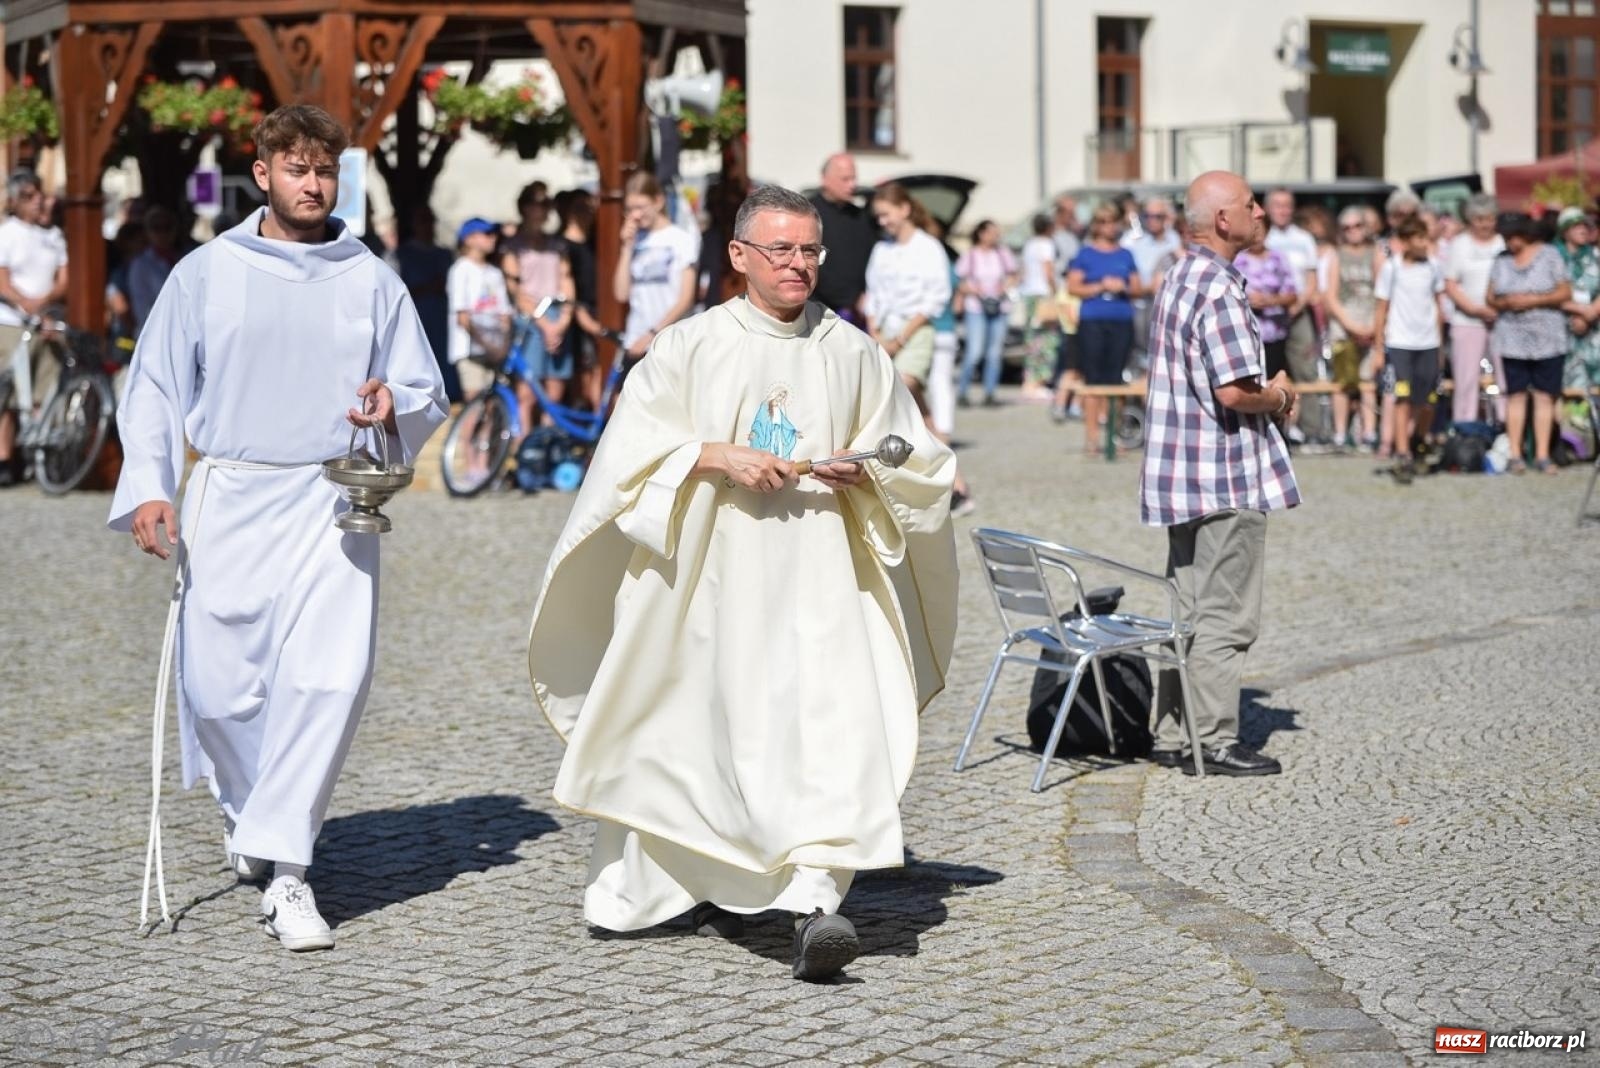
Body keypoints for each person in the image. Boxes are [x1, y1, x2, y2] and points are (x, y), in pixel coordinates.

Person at [525, 184, 957, 981]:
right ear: (739, 257)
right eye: (781, 251)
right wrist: (715, 454)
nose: (798, 267)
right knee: (690, 726)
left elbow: (914, 456)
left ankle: (810, 900)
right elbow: (626, 457)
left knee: (826, 726)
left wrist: (860, 470)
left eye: (809, 252)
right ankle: (659, 889)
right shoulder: (689, 346)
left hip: (822, 571)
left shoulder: (853, 350)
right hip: (708, 575)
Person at [108, 104, 447, 951]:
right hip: (230, 492)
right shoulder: (207, 271)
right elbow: (153, 386)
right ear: (261, 174)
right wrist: (152, 486)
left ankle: (288, 873)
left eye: (325, 170)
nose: (312, 184)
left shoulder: (368, 275)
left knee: (330, 677)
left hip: (335, 499)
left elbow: (419, 385)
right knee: (218, 688)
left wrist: (389, 402)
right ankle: (254, 813)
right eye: (296, 169)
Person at [1139, 170, 1300, 777]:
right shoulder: (1221, 289)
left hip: (1183, 475)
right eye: (1251, 203)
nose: (1261, 211)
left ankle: (1176, 733)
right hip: (1225, 473)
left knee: (1187, 608)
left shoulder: (1179, 276)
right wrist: (1280, 398)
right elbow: (1234, 392)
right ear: (1225, 221)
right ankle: (1214, 740)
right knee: (1226, 616)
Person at [0, 168, 69, 485]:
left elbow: (63, 278)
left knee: (45, 389)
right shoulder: (7, 233)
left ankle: (41, 456)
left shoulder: (51, 235)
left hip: (46, 320)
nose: (36, 200)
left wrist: (46, 301)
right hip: (13, 322)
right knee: (10, 395)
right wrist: (24, 303)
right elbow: (2, 277)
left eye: (38, 193)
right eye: (28, 196)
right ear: (14, 201)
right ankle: (4, 458)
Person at [1487, 212, 1570, 474]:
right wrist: (1506, 303)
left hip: (1547, 335)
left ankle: (1543, 454)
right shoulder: (1501, 260)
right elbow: (1489, 297)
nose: (1511, 242)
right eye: (1507, 237)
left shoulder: (1549, 254)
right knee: (1516, 395)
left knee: (1545, 396)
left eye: (1515, 236)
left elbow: (1564, 291)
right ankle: (1515, 454)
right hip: (1512, 336)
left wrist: (1533, 300)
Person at [864, 182, 952, 415]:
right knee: (901, 396)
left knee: (902, 384)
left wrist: (901, 339)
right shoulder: (881, 249)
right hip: (884, 329)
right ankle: (931, 433)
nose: (882, 221)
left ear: (904, 209)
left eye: (886, 214)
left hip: (916, 330)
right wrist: (876, 333)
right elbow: (872, 293)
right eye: (878, 216)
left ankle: (929, 434)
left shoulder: (929, 247)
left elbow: (936, 298)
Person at [1372, 216, 1445, 484]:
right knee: (1402, 398)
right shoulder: (1393, 268)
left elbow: (1438, 306)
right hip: (1400, 342)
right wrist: (1379, 348)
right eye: (1418, 238)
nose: (1424, 244)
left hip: (1428, 342)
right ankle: (1402, 453)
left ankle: (1419, 439)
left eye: (1426, 238)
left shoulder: (1434, 267)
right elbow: (1381, 309)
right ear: (1404, 242)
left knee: (1429, 401)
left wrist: (1440, 345)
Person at [1066, 202, 1141, 454]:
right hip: (1093, 320)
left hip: (1120, 319)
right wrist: (1099, 286)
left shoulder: (1125, 254)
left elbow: (1137, 287)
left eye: (1114, 222)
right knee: (1093, 379)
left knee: (1116, 380)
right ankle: (1092, 437)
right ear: (1097, 226)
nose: (1110, 227)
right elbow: (1073, 287)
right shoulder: (1085, 254)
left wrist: (1123, 287)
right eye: (1105, 222)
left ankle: (1115, 435)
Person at [505, 182, 576, 416]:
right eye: (538, 203)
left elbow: (566, 279)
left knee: (555, 390)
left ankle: (547, 444)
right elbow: (516, 291)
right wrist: (545, 324)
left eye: (548, 203)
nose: (544, 209)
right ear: (525, 207)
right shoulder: (513, 247)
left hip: (557, 315)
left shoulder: (557, 245)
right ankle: (524, 446)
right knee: (527, 392)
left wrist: (564, 320)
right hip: (531, 319)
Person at [614, 172, 697, 372]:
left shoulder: (681, 239)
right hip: (635, 340)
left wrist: (653, 334)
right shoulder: (636, 241)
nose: (635, 215)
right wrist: (626, 248)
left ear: (658, 201)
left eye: (641, 207)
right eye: (630, 209)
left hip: (670, 341)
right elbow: (621, 294)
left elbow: (686, 298)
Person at [1443, 195, 1506, 425]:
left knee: (1504, 377)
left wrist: (1497, 308)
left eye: (1489, 219)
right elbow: (1450, 283)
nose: (1485, 224)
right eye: (1479, 219)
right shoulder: (1460, 244)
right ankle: (1465, 426)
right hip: (1467, 320)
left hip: (1501, 319)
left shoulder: (1503, 242)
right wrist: (1475, 309)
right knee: (1466, 379)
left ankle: (1505, 424)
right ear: (1471, 220)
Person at [1325, 207, 1384, 449]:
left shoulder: (1376, 253)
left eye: (1357, 226)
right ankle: (1340, 432)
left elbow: (1382, 293)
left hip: (1371, 319)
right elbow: (1330, 296)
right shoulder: (1337, 256)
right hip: (1344, 323)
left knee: (1369, 379)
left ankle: (1369, 431)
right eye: (1347, 227)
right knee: (1343, 379)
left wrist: (1373, 327)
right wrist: (1351, 326)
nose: (1353, 232)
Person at [1263, 188, 1320, 442]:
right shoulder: (1263, 237)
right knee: (1270, 370)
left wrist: (1297, 306)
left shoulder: (1304, 239)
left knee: (1305, 369)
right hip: (1267, 316)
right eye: (1277, 205)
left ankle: (1311, 429)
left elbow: (1311, 279)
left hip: (1298, 311)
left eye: (1287, 205)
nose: (1283, 210)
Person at [394, 204, 456, 402]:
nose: (427, 226)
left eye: (430, 221)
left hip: (442, 324)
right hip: (417, 323)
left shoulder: (445, 255)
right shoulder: (401, 256)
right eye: (423, 221)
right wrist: (429, 287)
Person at [447, 217, 513, 403]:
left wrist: (502, 347)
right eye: (487, 234)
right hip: (470, 351)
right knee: (473, 408)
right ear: (469, 239)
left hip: (496, 351)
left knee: (493, 408)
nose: (493, 238)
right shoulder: (460, 270)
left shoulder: (495, 272)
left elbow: (504, 314)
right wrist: (491, 347)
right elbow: (463, 318)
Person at [954, 219, 1018, 408]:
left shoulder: (1002, 254)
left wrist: (1005, 287)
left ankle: (990, 392)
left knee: (995, 353)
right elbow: (960, 281)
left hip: (1000, 306)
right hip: (976, 307)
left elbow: (1014, 274)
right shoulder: (971, 255)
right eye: (992, 232)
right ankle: (963, 391)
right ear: (981, 234)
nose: (995, 236)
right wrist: (975, 291)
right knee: (975, 351)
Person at [553, 188, 606, 409]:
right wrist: (581, 316)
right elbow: (565, 284)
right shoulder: (562, 245)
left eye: (590, 208)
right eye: (580, 208)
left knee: (597, 371)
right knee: (581, 375)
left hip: (597, 313)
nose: (586, 213)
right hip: (576, 317)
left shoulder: (597, 243)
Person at [808, 153, 877, 322]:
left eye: (854, 179)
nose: (852, 185)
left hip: (860, 311)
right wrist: (851, 299)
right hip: (818, 310)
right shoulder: (809, 214)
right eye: (845, 179)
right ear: (825, 179)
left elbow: (871, 260)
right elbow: (812, 263)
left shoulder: (859, 216)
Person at [1233, 225, 1299, 381]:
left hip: (1275, 333)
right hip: (1245, 333)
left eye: (1260, 232)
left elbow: (1292, 295)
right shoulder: (1236, 260)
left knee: (1274, 378)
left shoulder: (1278, 258)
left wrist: (1270, 300)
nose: (1256, 237)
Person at [1555, 207, 1600, 394]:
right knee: (1570, 385)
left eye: (1585, 226)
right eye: (1577, 226)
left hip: (1594, 326)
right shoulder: (1552, 257)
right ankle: (1574, 423)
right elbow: (1546, 292)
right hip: (1562, 328)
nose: (1583, 230)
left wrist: (1591, 312)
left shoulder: (1596, 256)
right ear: (1565, 231)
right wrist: (1579, 311)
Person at [1017, 214, 1059, 402]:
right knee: (1046, 341)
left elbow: (1024, 272)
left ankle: (1029, 381)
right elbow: (1048, 272)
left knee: (1031, 339)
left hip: (1029, 295)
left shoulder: (1029, 244)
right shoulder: (1046, 244)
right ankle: (1038, 382)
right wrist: (1056, 292)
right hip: (1043, 296)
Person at [128, 205, 183, 328]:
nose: (162, 233)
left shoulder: (185, 258)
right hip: (155, 332)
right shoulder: (140, 265)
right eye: (156, 228)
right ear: (147, 232)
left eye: (167, 227)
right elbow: (142, 308)